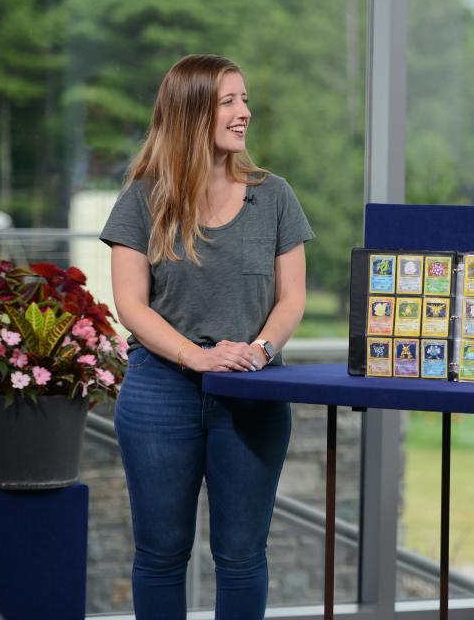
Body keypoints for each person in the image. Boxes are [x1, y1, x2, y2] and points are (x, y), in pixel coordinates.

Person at [100, 54, 314, 619]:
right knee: (162, 554)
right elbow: (130, 305)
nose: (244, 112)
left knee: (242, 555)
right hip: (158, 392)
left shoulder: (275, 197)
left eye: (245, 100)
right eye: (229, 102)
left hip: (251, 391)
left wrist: (260, 352)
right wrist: (197, 357)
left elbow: (292, 297)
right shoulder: (142, 200)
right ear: (193, 112)